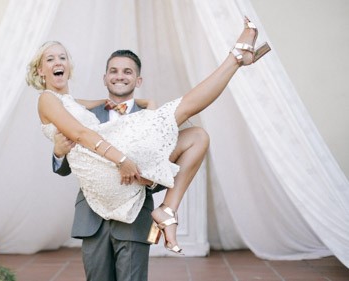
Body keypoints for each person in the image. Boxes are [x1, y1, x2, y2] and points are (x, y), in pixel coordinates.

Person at [27, 16, 270, 280]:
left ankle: (168, 209)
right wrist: (62, 152)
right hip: (101, 193)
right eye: (50, 59)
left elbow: (85, 107)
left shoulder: (75, 102)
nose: (57, 62)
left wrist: (144, 107)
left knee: (198, 136)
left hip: (131, 199)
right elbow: (80, 134)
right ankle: (235, 58)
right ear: (40, 70)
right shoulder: (50, 101)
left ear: (138, 80)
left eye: (62, 57)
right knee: (184, 107)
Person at [51, 48, 210, 281]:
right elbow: (65, 167)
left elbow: (167, 164)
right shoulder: (82, 115)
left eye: (127, 71)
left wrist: (145, 177)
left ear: (138, 80)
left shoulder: (154, 116)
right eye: (113, 71)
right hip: (91, 218)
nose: (119, 76)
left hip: (134, 217)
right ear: (104, 78)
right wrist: (58, 152)